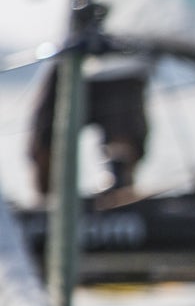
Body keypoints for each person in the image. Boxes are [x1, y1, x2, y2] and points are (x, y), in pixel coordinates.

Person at [30, 58, 150, 204]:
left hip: (124, 65)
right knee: (44, 145)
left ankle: (120, 205)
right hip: (68, 61)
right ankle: (47, 210)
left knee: (122, 149)